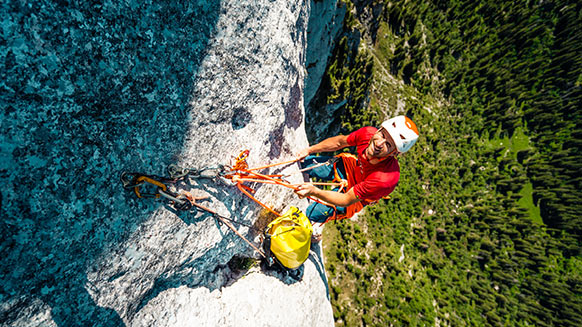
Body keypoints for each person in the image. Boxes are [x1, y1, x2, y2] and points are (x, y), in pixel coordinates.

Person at [294, 115, 419, 225]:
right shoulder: (367, 134)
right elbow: (339, 142)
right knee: (305, 164)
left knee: (311, 213)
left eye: (388, 145)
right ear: (379, 129)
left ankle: (314, 233)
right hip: (351, 168)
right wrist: (309, 150)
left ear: (395, 153)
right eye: (382, 135)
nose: (379, 143)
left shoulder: (384, 179)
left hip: (356, 195)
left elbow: (346, 199)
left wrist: (314, 191)